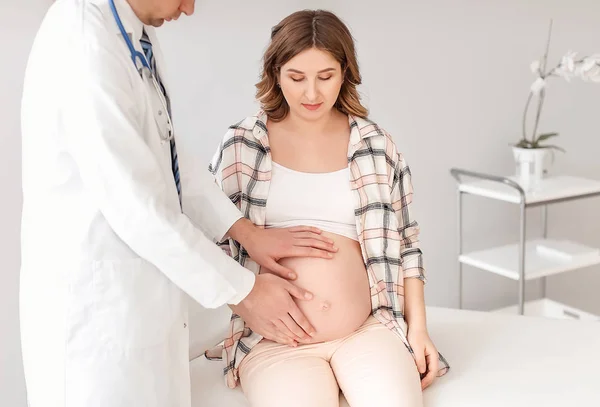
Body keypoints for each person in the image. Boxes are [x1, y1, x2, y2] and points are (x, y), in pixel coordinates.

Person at [19, 1, 337, 406]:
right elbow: (135, 205)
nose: (188, 9)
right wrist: (245, 292)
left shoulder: (134, 36)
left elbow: (165, 155)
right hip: (96, 323)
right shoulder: (84, 42)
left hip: (144, 314)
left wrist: (244, 232)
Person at [205, 9, 451, 407]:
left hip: (368, 329)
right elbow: (209, 240)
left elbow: (407, 243)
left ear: (345, 72)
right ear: (275, 73)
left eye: (326, 76)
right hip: (276, 340)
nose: (312, 94)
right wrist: (245, 303)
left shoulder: (375, 144)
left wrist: (418, 330)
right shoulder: (242, 144)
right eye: (296, 78)